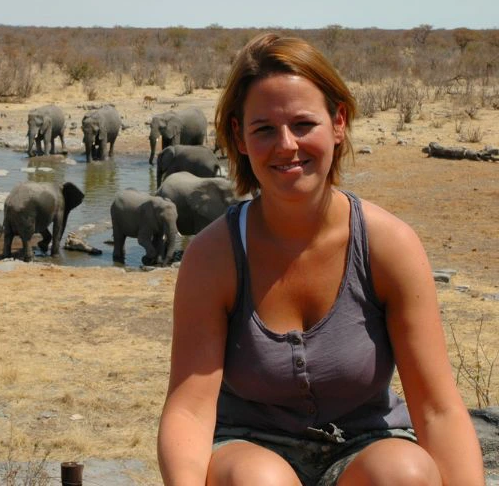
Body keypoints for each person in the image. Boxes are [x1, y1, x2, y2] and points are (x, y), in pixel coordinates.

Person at [157, 33, 483, 485]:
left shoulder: (388, 245)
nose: (286, 145)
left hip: (365, 449)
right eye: (265, 129)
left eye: (303, 124)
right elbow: (189, 409)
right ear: (240, 137)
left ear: (339, 123)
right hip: (250, 449)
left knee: (404, 472)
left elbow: (437, 408)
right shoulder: (215, 255)